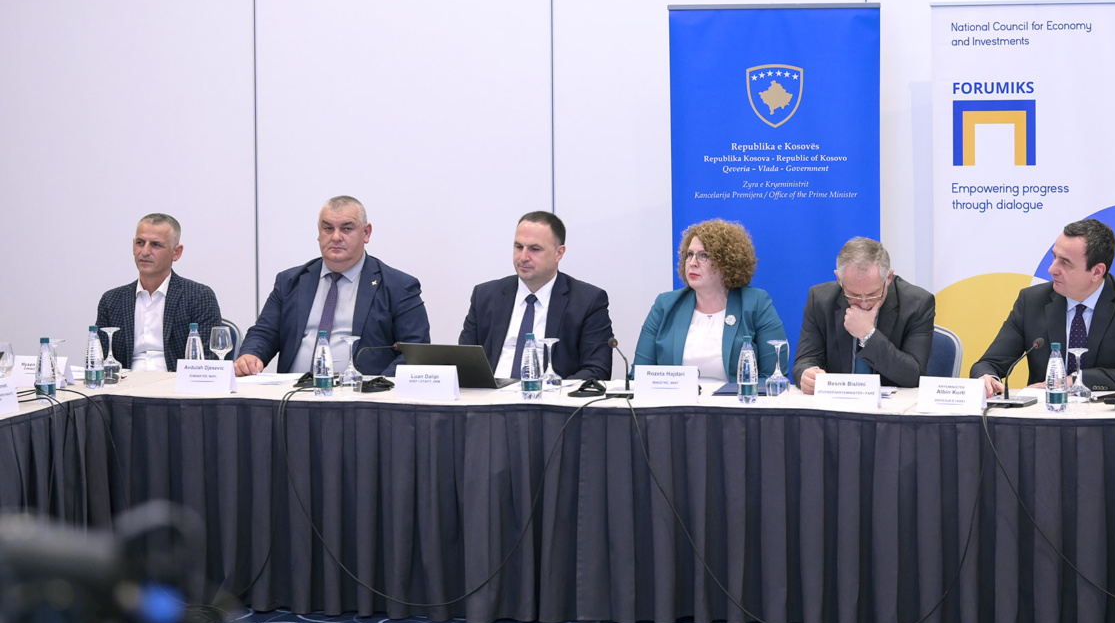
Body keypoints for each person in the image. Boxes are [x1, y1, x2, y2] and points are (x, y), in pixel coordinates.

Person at [233, 196, 429, 377]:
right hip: (293, 393)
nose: (335, 237)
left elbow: (415, 352)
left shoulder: (398, 287)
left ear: (366, 233)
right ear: (319, 232)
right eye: (328, 228)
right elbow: (265, 332)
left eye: (346, 229)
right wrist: (251, 355)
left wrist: (377, 386)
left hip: (362, 397)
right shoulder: (290, 281)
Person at [972, 218, 1115, 396]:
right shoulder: (1032, 301)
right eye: (1054, 257)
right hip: (1044, 414)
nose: (1052, 269)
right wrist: (987, 377)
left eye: (1065, 262)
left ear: (1096, 272)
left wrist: (1075, 381)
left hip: (1106, 415)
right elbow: (988, 364)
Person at [458, 211, 615, 380]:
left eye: (535, 249)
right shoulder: (485, 296)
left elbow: (597, 370)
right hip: (491, 395)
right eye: (519, 247)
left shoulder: (587, 301)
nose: (523, 257)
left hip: (552, 395)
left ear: (559, 253)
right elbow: (465, 363)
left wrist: (553, 391)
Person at [634, 219, 785, 383]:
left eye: (703, 255)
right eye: (689, 254)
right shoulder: (666, 304)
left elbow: (774, 377)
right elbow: (639, 375)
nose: (692, 263)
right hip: (676, 399)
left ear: (727, 262)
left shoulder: (755, 303)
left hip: (735, 399)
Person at [793, 237, 935, 393]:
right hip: (839, 402)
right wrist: (807, 374)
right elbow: (805, 360)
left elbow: (913, 375)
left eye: (873, 294)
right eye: (853, 294)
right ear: (839, 279)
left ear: (888, 278)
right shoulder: (820, 300)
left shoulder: (917, 304)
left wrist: (868, 335)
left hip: (895, 405)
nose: (864, 304)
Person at [94, 214, 222, 372]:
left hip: (177, 383)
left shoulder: (198, 296)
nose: (145, 251)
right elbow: (98, 360)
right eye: (140, 243)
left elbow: (208, 361)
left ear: (176, 252)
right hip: (126, 384)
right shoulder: (112, 300)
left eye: (156, 245)